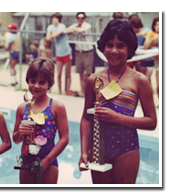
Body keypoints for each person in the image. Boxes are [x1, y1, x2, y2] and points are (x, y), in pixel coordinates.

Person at [79, 19, 157, 184]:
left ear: (129, 48)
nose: (114, 51)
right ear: (103, 47)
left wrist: (118, 118)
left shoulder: (139, 80)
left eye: (120, 45)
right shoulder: (94, 80)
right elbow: (86, 118)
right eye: (109, 45)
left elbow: (151, 122)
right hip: (98, 150)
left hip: (127, 149)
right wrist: (84, 152)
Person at [12, 58, 69, 184]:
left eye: (42, 82)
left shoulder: (56, 107)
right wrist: (20, 132)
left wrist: (47, 160)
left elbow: (65, 138)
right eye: (33, 81)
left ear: (49, 84)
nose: (36, 86)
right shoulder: (23, 108)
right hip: (26, 162)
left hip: (48, 162)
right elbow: (16, 140)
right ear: (28, 81)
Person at [66, 12, 94, 97]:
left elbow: (82, 30)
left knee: (88, 75)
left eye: (82, 18)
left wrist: (74, 29)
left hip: (87, 51)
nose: (80, 19)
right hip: (79, 52)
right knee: (80, 74)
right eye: (78, 18)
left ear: (84, 18)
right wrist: (74, 29)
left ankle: (88, 91)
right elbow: (66, 31)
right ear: (76, 18)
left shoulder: (87, 25)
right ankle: (83, 92)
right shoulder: (75, 25)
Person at [46, 12, 73, 95]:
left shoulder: (62, 26)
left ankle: (67, 90)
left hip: (66, 52)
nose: (53, 20)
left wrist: (53, 32)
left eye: (55, 18)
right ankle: (60, 91)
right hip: (59, 53)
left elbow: (54, 35)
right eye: (53, 18)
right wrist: (53, 32)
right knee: (58, 74)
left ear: (59, 19)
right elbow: (47, 38)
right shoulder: (50, 26)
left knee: (67, 73)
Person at [144, 17, 159, 99]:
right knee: (146, 79)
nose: (159, 26)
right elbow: (145, 47)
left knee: (159, 85)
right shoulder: (151, 33)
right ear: (154, 25)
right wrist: (153, 39)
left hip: (158, 61)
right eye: (157, 24)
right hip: (151, 60)